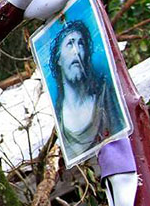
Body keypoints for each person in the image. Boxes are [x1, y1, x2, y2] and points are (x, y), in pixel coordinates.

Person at [49, 19, 125, 160]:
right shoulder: (58, 113)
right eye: (70, 44)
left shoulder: (103, 95)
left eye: (81, 44)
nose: (77, 51)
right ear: (58, 59)